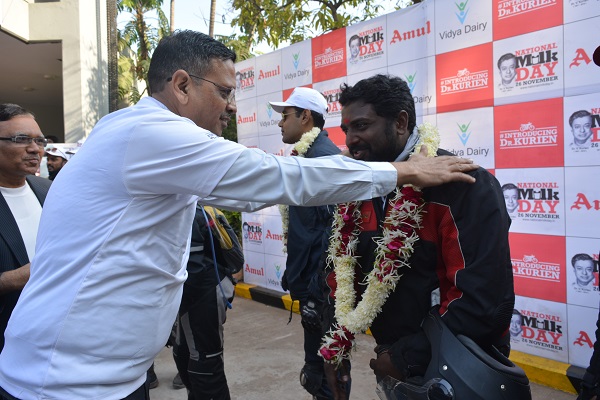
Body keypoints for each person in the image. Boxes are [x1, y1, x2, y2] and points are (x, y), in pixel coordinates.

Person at [0, 31, 477, 400]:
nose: (231, 107)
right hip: (62, 382)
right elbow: (276, 178)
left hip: (104, 376)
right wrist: (402, 171)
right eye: (225, 91)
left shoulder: (136, 131)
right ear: (182, 85)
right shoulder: (149, 134)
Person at [322, 75, 515, 399]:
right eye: (346, 129)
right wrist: (336, 346)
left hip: (461, 368)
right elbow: (341, 274)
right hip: (392, 362)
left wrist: (404, 359)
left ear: (400, 122)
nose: (351, 140)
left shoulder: (464, 185)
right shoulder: (358, 187)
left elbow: (484, 302)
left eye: (362, 126)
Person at [269, 87, 340, 400]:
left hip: (322, 294)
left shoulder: (322, 160)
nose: (279, 123)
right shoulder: (306, 157)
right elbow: (309, 231)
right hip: (313, 290)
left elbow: (334, 236)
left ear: (305, 117)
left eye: (285, 116)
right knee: (318, 371)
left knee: (325, 372)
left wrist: (316, 293)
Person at [172, 205, 243, 399]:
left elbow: (193, 271)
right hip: (198, 293)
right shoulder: (177, 208)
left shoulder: (187, 212)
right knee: (185, 354)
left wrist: (168, 310)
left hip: (205, 292)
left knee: (206, 362)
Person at [0, 104, 51, 351]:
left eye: (39, 141)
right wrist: (11, 280)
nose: (34, 148)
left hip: (52, 336)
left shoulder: (49, 189)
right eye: (21, 139)